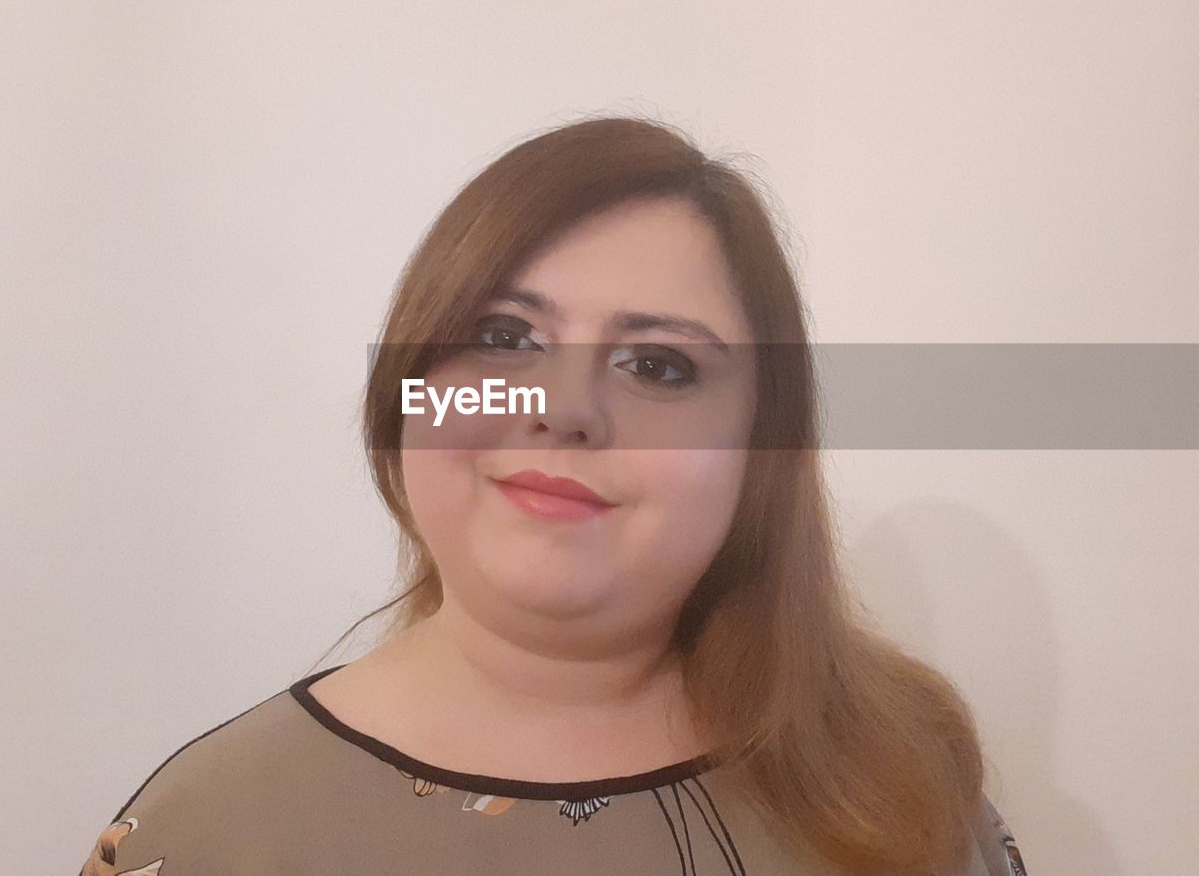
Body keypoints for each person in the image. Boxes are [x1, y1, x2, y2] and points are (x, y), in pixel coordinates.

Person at [79, 116, 1029, 876]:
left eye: (657, 365)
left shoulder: (900, 774)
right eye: (501, 338)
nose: (564, 410)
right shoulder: (210, 833)